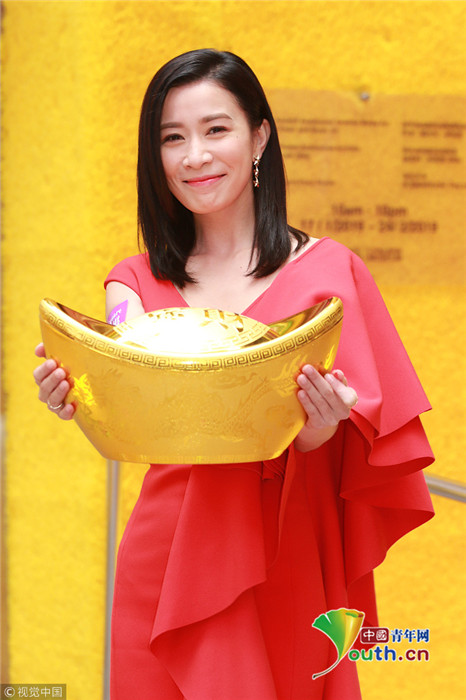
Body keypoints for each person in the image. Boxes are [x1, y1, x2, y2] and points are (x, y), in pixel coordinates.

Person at [34, 49, 434, 700]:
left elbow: (347, 440)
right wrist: (79, 400)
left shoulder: (331, 275)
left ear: (259, 137)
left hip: (285, 555)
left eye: (215, 129)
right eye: (172, 138)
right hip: (166, 558)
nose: (194, 155)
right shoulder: (132, 283)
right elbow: (134, 416)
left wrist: (319, 427)